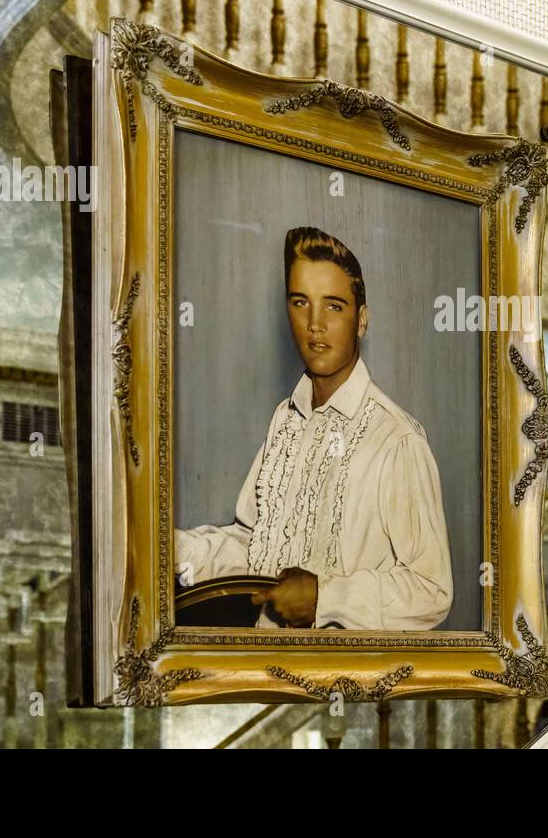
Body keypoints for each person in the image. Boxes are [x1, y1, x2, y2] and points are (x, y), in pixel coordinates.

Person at [174, 226, 454, 630]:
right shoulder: (284, 419)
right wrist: (171, 550)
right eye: (300, 302)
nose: (315, 324)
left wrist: (326, 598)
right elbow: (255, 547)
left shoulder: (396, 439)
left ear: (362, 321)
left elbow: (432, 589)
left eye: (334, 306)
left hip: (351, 687)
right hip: (268, 675)